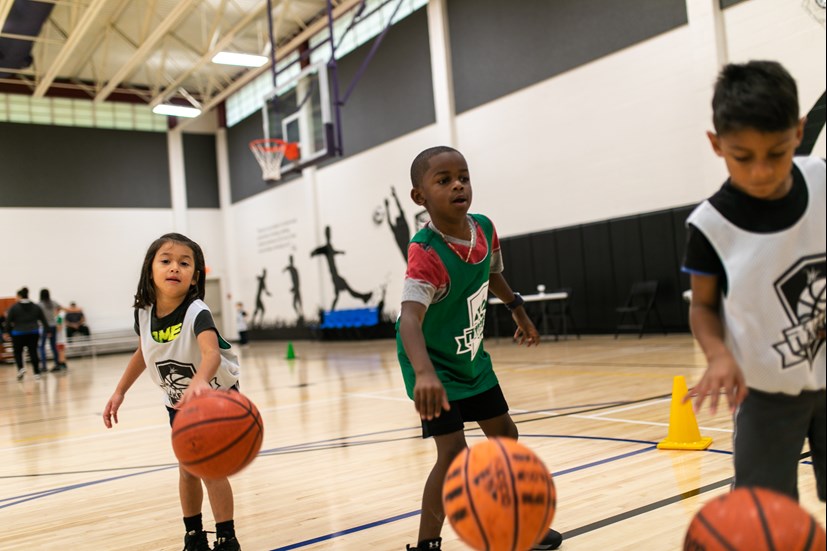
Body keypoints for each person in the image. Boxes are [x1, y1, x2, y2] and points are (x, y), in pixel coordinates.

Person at [396, 146, 562, 550]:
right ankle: (426, 545)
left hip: (472, 358)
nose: (458, 185)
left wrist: (518, 309)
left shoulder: (484, 228)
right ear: (420, 197)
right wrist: (424, 374)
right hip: (434, 366)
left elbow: (493, 275)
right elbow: (409, 320)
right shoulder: (425, 253)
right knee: (452, 453)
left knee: (506, 434)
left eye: (463, 177)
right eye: (444, 180)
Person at [683, 60, 825, 503]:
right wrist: (718, 355)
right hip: (766, 392)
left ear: (799, 132)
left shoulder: (822, 179)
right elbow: (703, 306)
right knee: (764, 511)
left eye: (777, 153)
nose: (761, 171)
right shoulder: (710, 226)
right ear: (716, 145)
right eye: (743, 157)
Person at [102, 233, 243, 551]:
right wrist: (120, 391)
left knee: (208, 467)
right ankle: (194, 536)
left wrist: (200, 383)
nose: (174, 267)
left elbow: (211, 354)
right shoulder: (144, 312)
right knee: (188, 470)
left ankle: (226, 538)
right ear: (149, 269)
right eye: (166, 260)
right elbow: (143, 352)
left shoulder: (197, 311)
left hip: (216, 397)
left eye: (184, 262)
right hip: (178, 400)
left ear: (195, 275)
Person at [310, 225, 372, 311]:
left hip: (335, 275)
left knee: (337, 295)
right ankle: (364, 297)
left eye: (329, 233)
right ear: (326, 235)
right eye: (328, 233)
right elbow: (319, 251)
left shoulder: (329, 246)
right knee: (347, 290)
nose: (329, 235)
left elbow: (333, 252)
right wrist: (313, 253)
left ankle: (332, 312)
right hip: (335, 276)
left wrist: (340, 252)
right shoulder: (325, 248)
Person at [3, 287, 51, 381]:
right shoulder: (36, 306)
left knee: (18, 352)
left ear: (20, 296)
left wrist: (6, 332)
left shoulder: (14, 307)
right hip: (33, 332)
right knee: (33, 351)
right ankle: (36, 373)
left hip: (18, 333)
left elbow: (8, 321)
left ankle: (21, 368)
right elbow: (43, 319)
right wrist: (48, 330)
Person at [38, 288, 63, 373]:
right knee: (53, 345)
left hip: (44, 326)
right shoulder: (53, 302)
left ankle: (44, 366)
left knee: (41, 346)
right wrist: (55, 314)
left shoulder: (40, 304)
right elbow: (59, 307)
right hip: (53, 325)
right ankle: (57, 364)